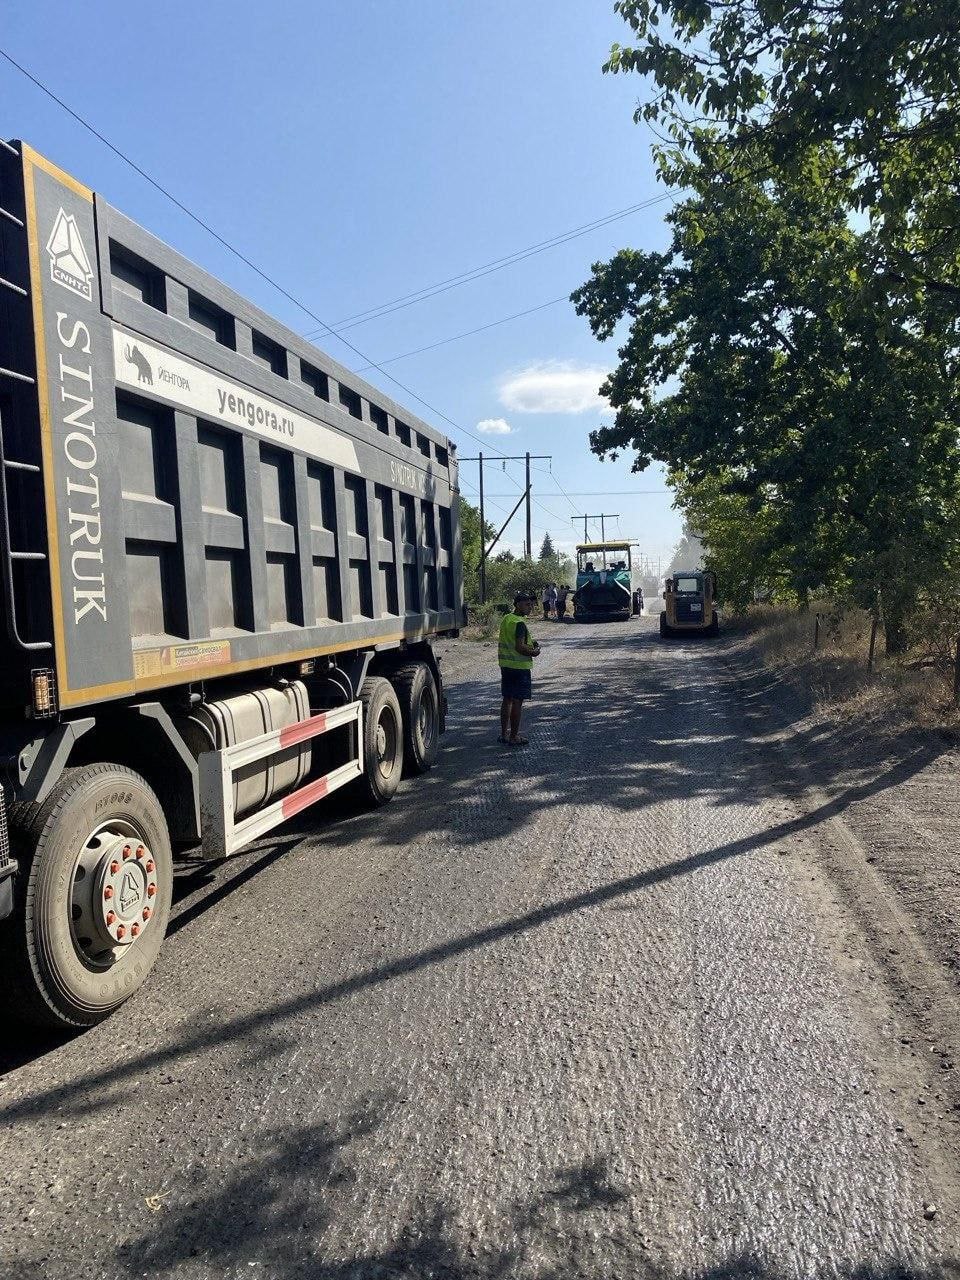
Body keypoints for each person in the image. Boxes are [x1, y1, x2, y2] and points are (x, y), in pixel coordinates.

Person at [498, 592, 541, 746]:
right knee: (517, 702)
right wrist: (534, 652)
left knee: (507, 699)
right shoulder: (520, 623)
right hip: (520, 668)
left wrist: (530, 641)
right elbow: (519, 647)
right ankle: (514, 736)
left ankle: (504, 734)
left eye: (531, 604)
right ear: (517, 605)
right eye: (526, 605)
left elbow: (512, 640)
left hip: (506, 666)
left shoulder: (507, 619)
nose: (530, 607)